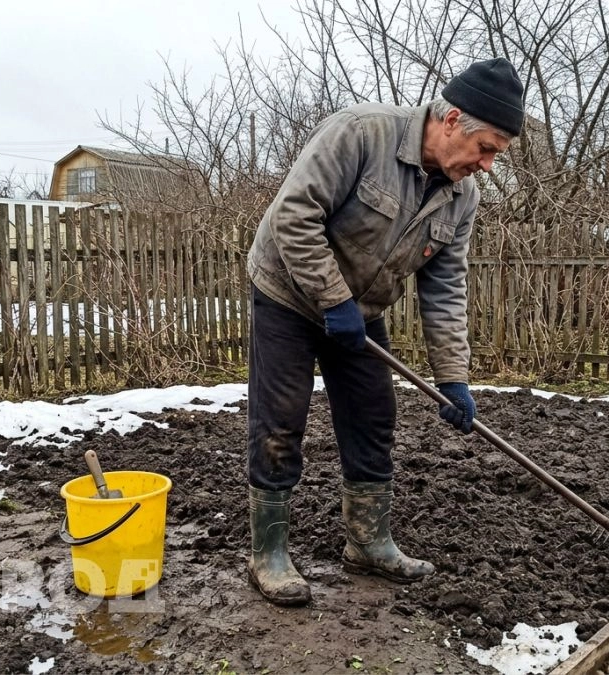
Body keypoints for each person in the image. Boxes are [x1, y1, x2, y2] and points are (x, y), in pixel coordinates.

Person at [245, 58, 525, 605]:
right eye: (486, 148)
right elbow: (293, 217)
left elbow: (444, 288)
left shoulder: (462, 196)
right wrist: (333, 300)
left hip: (361, 310)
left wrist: (453, 379)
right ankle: (268, 553)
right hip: (287, 292)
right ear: (451, 122)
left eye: (497, 154)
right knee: (281, 420)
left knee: (374, 418)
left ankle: (368, 543)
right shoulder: (360, 133)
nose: (487, 166)